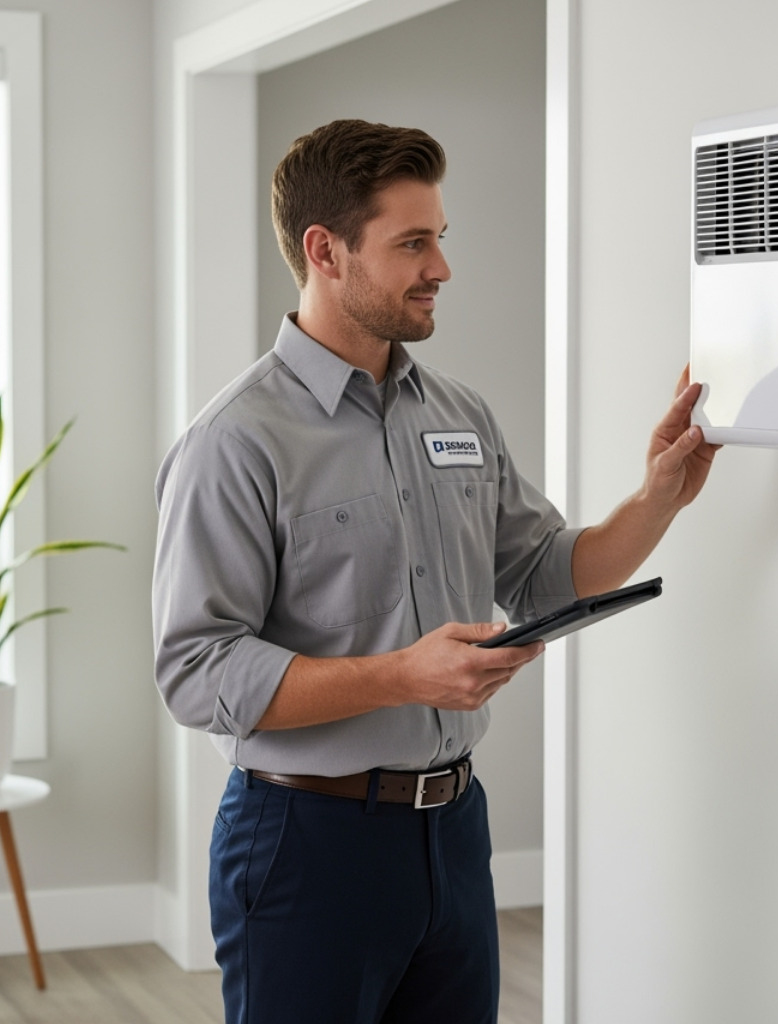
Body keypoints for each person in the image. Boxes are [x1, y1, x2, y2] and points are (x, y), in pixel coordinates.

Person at [152, 119, 716, 1024]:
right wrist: (402, 675)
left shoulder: (460, 414)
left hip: (452, 833)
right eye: (412, 243)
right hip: (305, 844)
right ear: (325, 251)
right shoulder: (235, 442)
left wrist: (658, 499)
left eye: (439, 238)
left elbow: (543, 572)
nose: (441, 267)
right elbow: (195, 671)